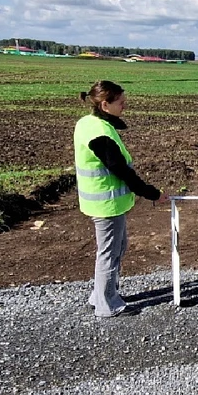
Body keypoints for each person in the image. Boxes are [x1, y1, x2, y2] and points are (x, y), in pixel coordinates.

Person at [74, 80, 162, 318]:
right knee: (110, 252)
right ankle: (107, 305)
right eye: (121, 102)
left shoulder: (90, 122)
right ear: (105, 104)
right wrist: (150, 193)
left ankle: (101, 294)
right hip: (106, 203)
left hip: (106, 202)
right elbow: (120, 169)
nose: (125, 106)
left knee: (117, 247)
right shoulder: (100, 133)